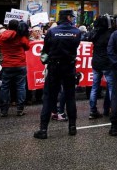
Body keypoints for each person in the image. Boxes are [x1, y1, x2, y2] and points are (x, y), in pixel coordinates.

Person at [33, 10, 82, 139]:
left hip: (54, 66)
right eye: (72, 17)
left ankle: (43, 130)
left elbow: (45, 51)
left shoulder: (51, 31)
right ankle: (72, 127)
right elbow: (75, 47)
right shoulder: (77, 32)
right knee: (70, 97)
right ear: (68, 17)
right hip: (69, 67)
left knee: (49, 98)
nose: (72, 19)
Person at [0, 19, 30, 117]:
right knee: (21, 87)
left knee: (5, 87)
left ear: (8, 26)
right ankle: (20, 109)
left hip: (7, 65)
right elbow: (27, 47)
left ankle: (4, 110)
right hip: (20, 65)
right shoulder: (20, 36)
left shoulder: (0, 36)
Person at [88, 15, 115, 119]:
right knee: (111, 87)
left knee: (94, 87)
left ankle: (92, 110)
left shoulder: (94, 34)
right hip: (107, 64)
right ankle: (113, 109)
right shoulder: (110, 34)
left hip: (96, 63)